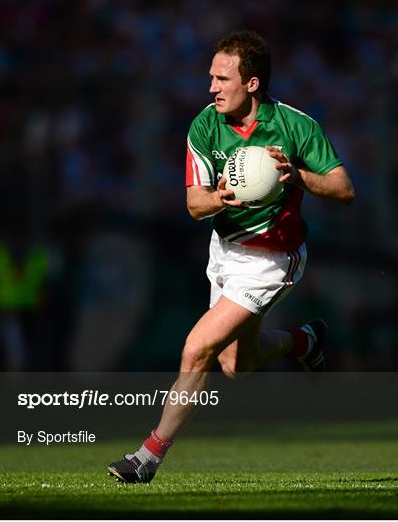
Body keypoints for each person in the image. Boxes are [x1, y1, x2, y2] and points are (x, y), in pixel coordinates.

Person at [108, 30, 355, 483]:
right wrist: (220, 198)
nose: (212, 87)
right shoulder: (204, 125)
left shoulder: (297, 126)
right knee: (234, 366)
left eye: (222, 78)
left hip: (272, 260)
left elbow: (344, 189)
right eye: (211, 77)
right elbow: (193, 204)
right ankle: (304, 342)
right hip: (223, 250)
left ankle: (147, 457)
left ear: (253, 83)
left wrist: (297, 177)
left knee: (197, 348)